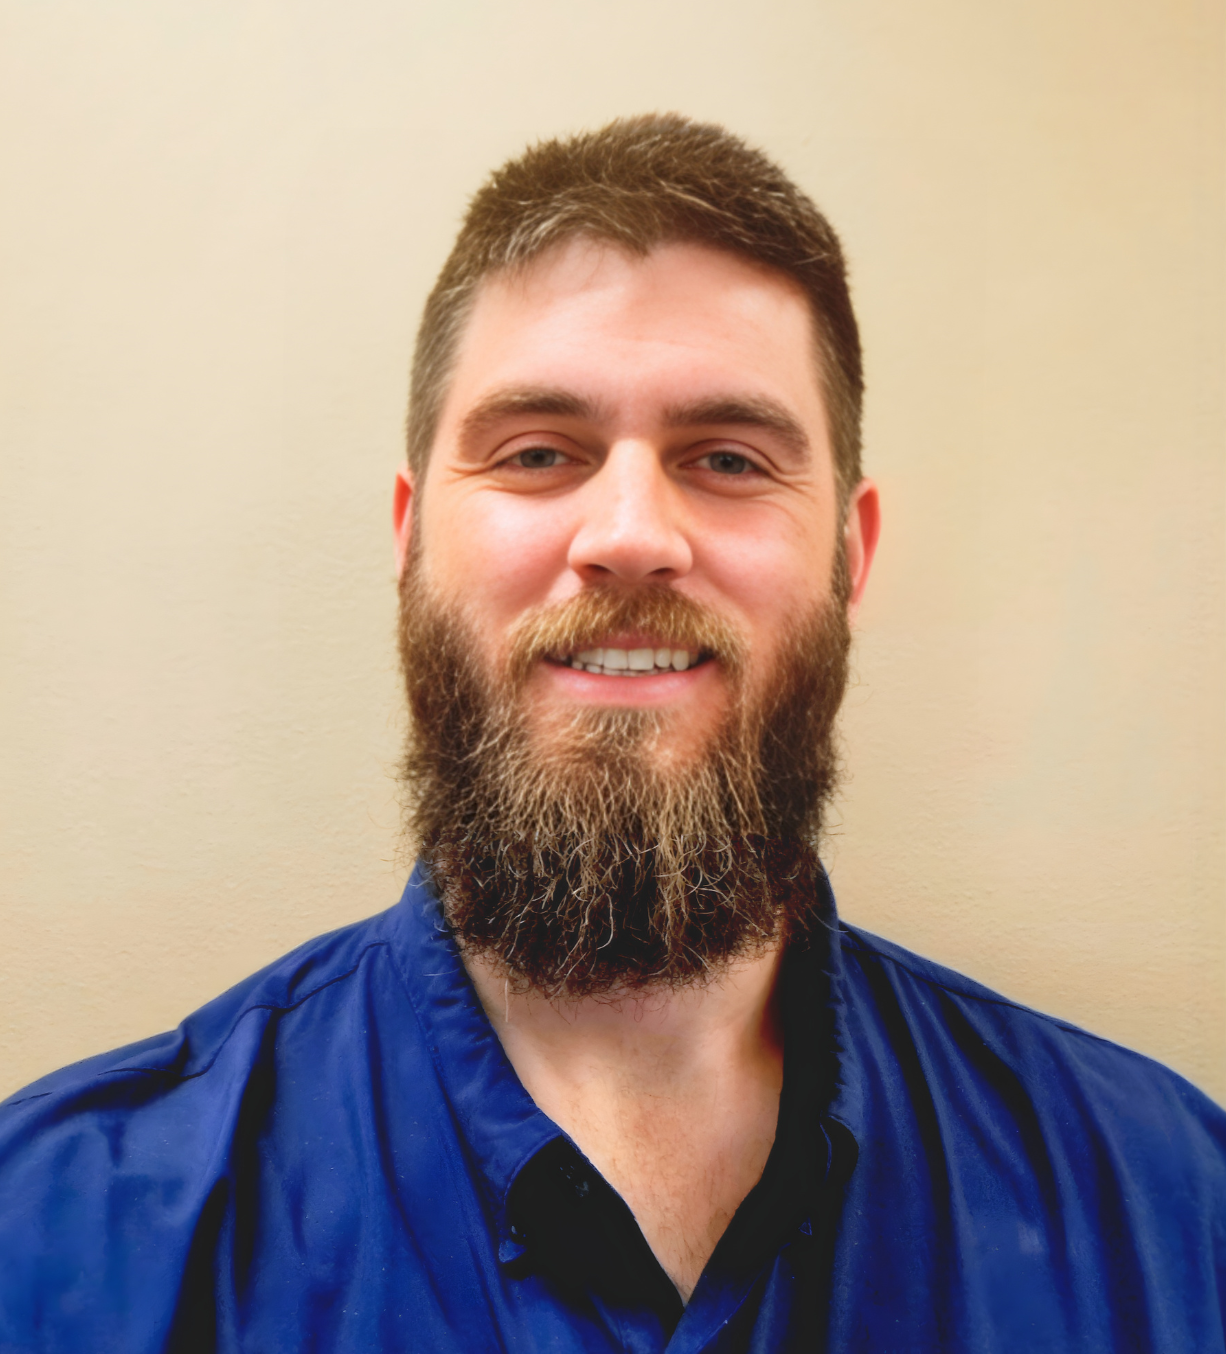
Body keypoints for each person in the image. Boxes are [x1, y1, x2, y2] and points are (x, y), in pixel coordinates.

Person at [1, 113, 1222, 1354]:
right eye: (537, 453)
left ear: (849, 554)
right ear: (410, 537)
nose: (631, 531)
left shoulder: (1172, 1212)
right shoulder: (55, 1237)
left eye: (728, 458)